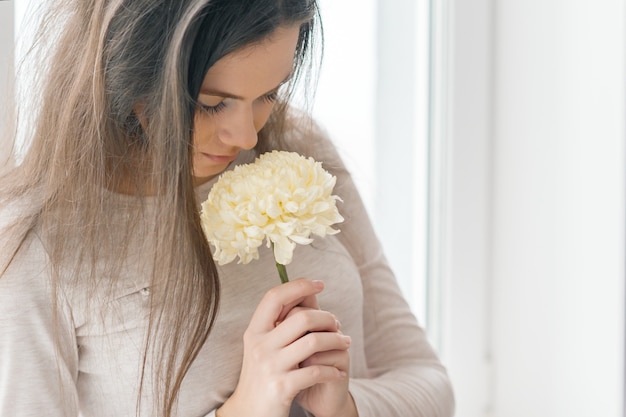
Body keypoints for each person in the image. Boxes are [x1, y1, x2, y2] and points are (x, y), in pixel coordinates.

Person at [0, 1, 455, 416]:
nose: (246, 138)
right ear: (130, 71)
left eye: (269, 94)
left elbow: (431, 386)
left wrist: (346, 407)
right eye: (212, 104)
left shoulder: (299, 148)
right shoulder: (37, 245)